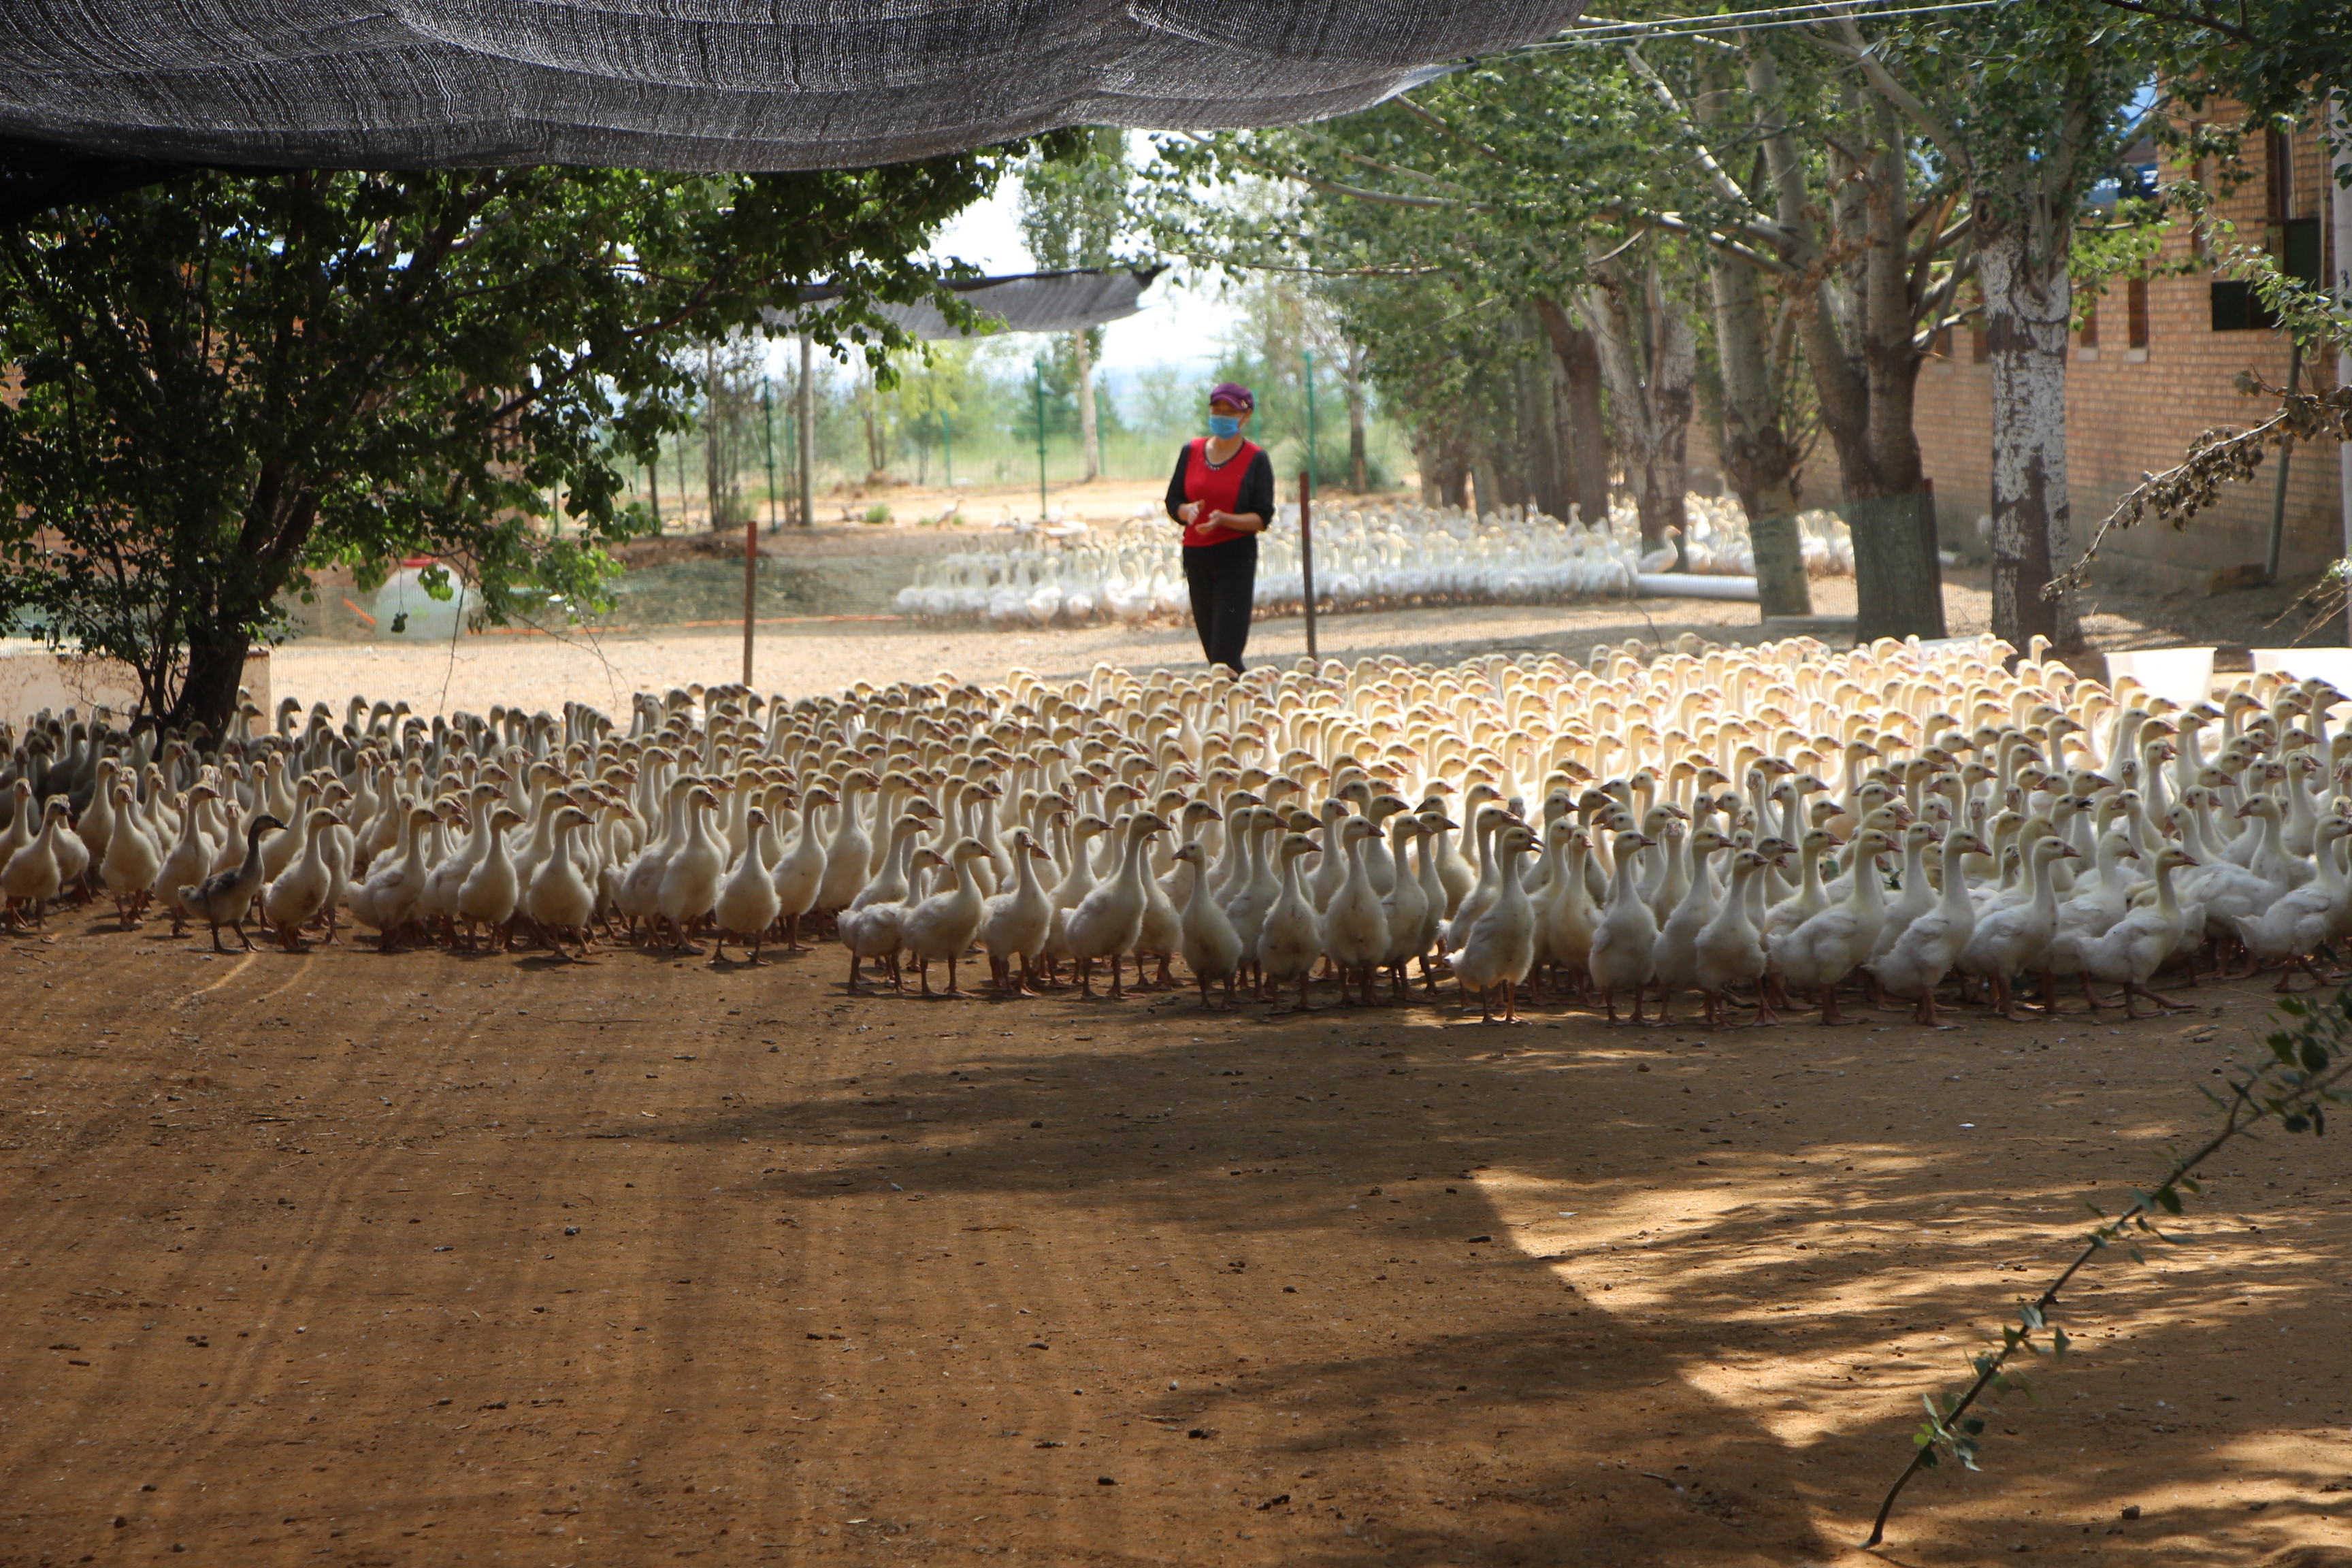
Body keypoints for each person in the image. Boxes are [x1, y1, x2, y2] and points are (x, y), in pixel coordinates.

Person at [1165, 382, 1276, 674]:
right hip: (1197, 557)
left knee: (1225, 653)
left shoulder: (1256, 459)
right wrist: (1185, 511)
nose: (1223, 416)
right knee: (1214, 653)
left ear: (1246, 416)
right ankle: (1238, 710)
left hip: (1235, 558)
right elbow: (1173, 499)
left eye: (1231, 411)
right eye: (1218, 409)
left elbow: (1262, 518)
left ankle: (1241, 712)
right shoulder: (1191, 451)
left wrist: (1226, 519)